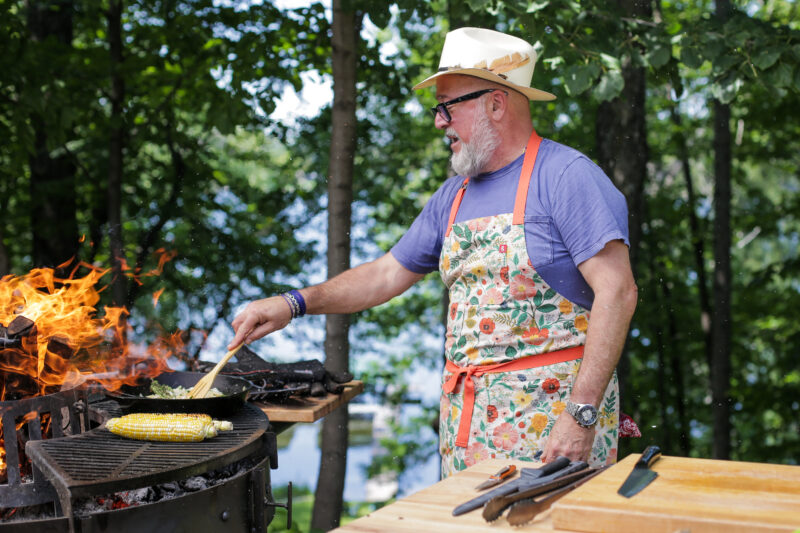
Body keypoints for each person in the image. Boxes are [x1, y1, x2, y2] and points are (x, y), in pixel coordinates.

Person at [229, 27, 637, 477]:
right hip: (466, 430)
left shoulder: (565, 176)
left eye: (447, 107)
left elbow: (617, 293)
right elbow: (385, 275)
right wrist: (293, 303)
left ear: (495, 104)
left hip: (555, 433)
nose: (439, 121)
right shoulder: (453, 196)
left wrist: (580, 415)